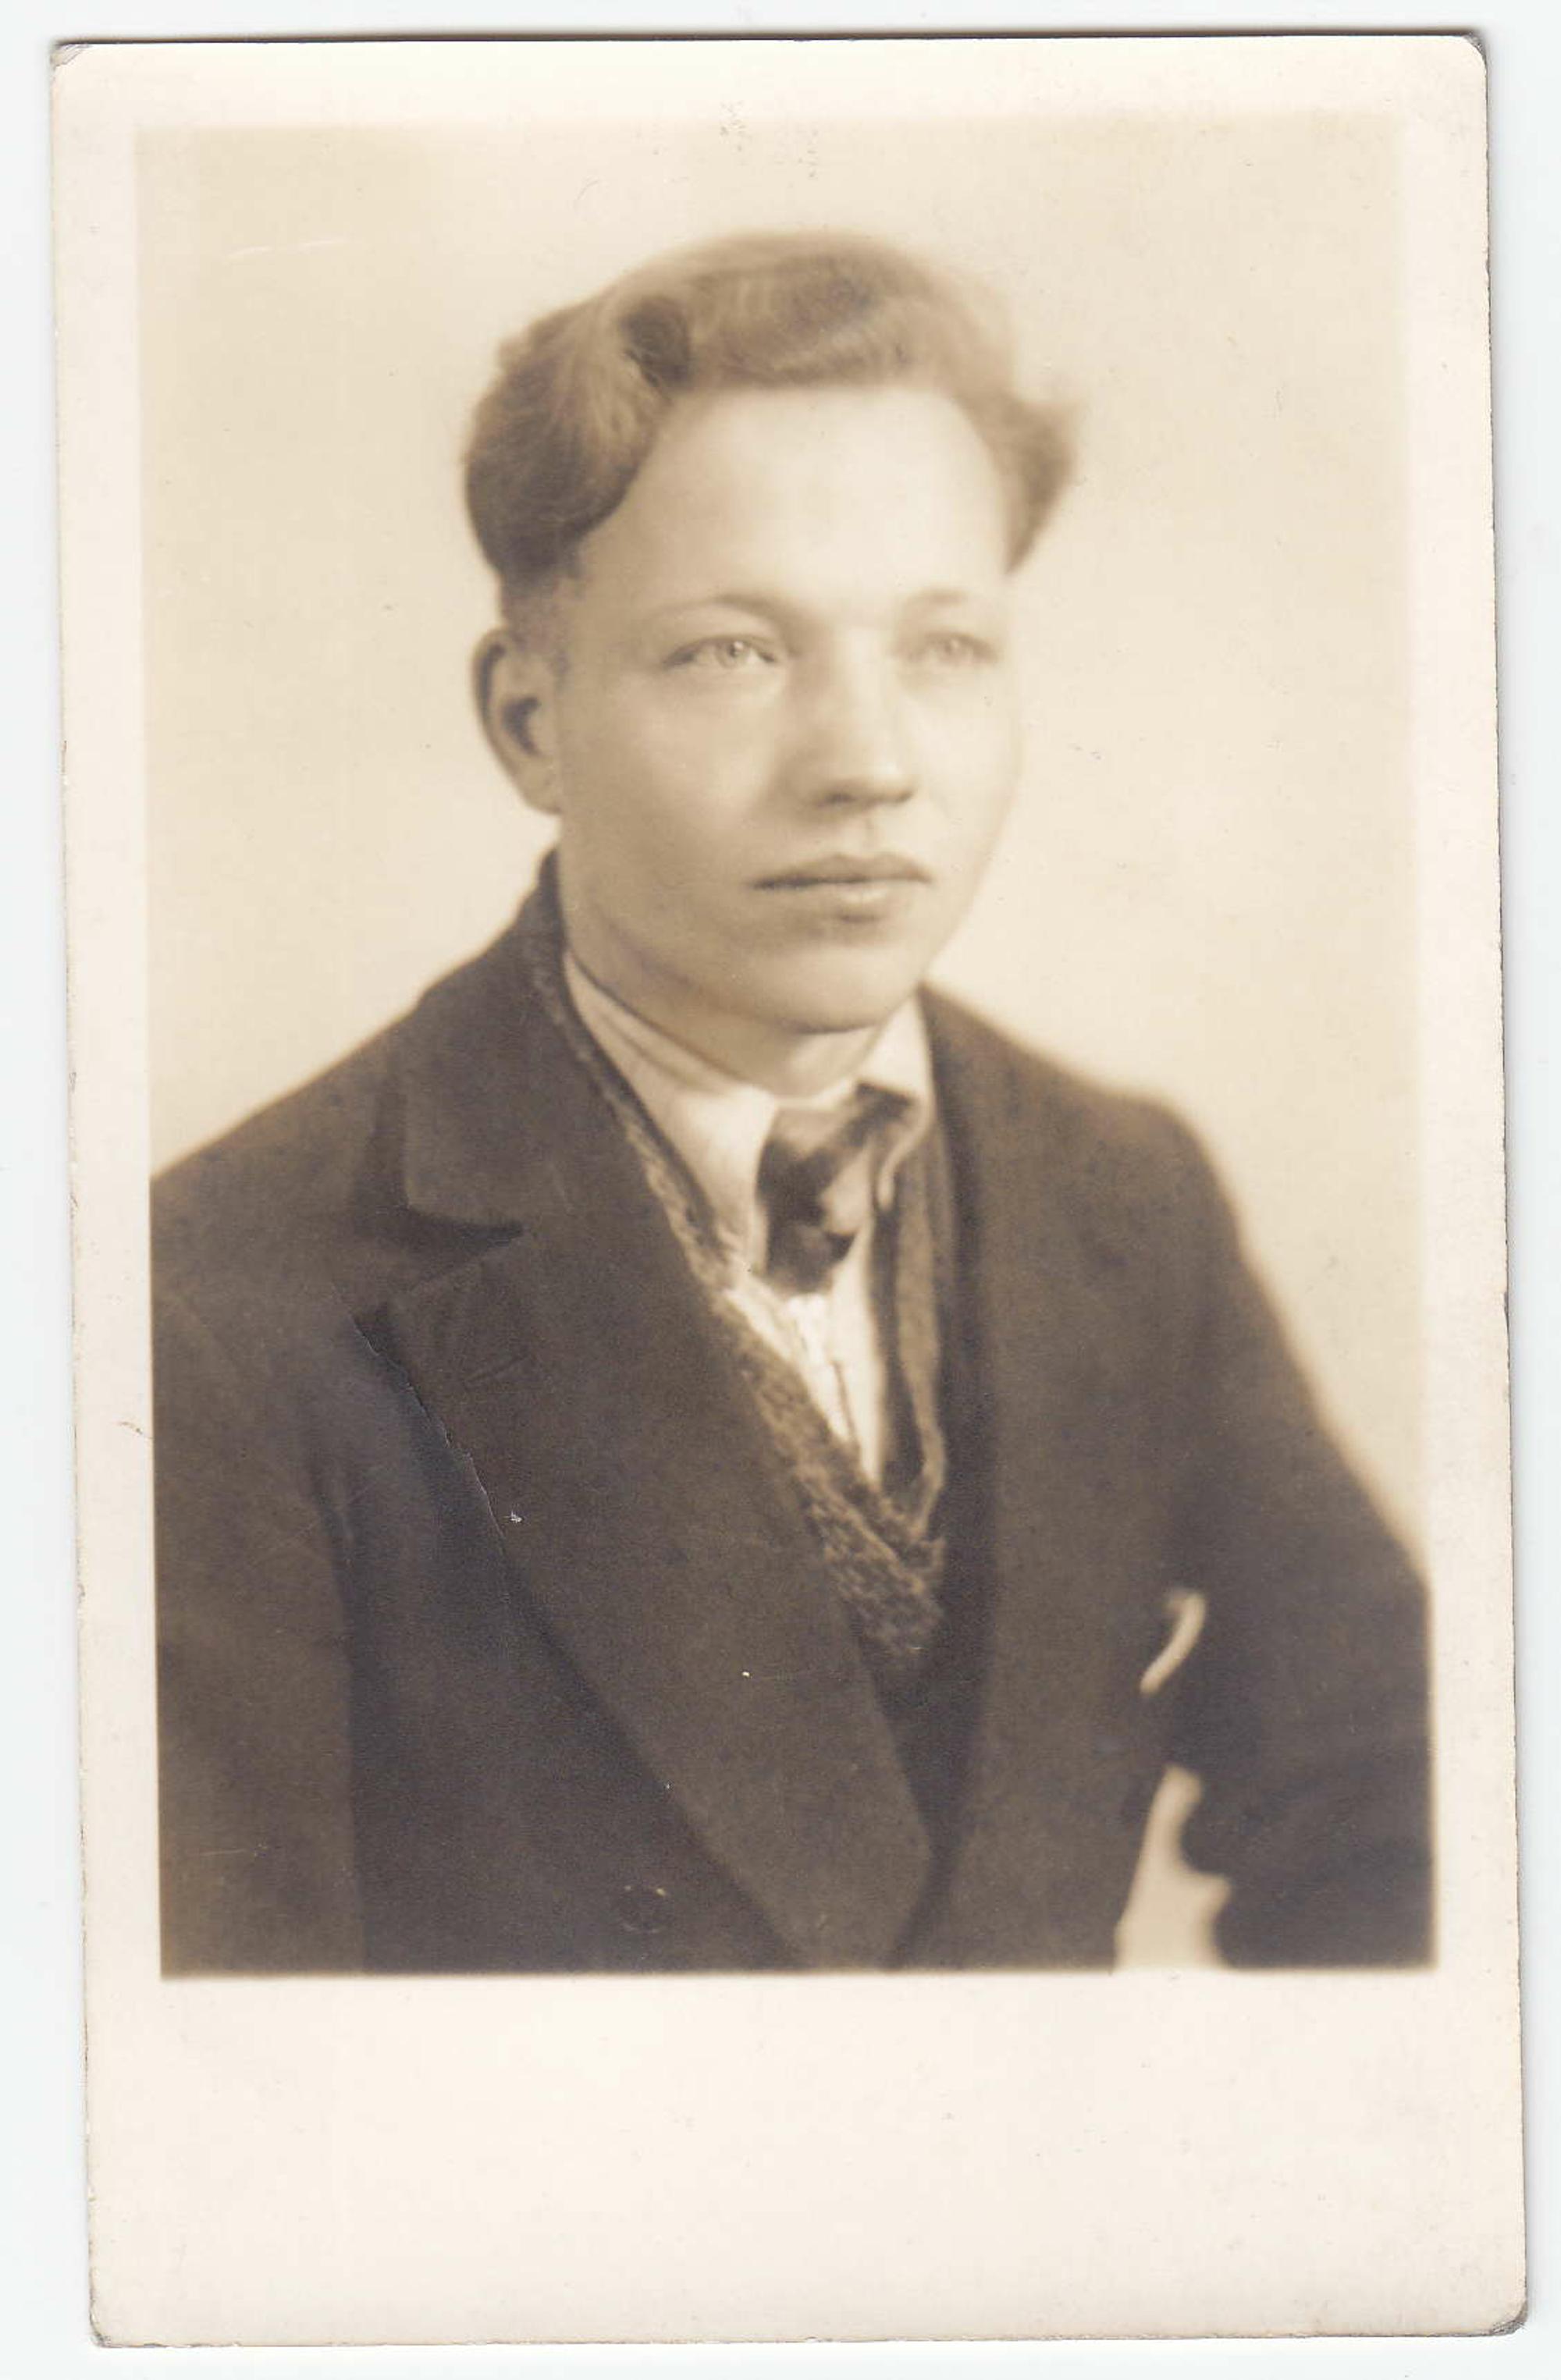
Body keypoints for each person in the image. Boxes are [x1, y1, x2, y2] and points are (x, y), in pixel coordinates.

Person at [154, 231, 1431, 1974]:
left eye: (945, 647)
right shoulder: (220, 1297)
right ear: (528, 720)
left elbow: (1403, 1815)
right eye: (734, 652)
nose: (868, 762)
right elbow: (224, 2074)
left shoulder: (1121, 1193)